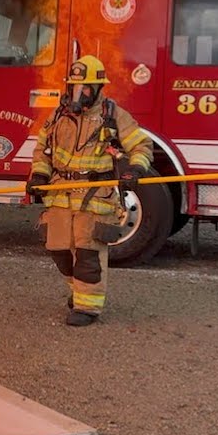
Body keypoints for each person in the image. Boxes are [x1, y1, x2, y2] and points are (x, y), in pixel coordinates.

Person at [26, 55, 153, 326]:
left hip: (96, 195)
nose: (77, 93)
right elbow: (42, 149)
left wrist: (134, 170)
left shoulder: (113, 116)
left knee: (87, 252)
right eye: (74, 87)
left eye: (84, 88)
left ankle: (87, 308)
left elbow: (141, 146)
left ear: (96, 89)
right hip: (61, 191)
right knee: (57, 248)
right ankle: (79, 290)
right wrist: (39, 174)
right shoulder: (59, 115)